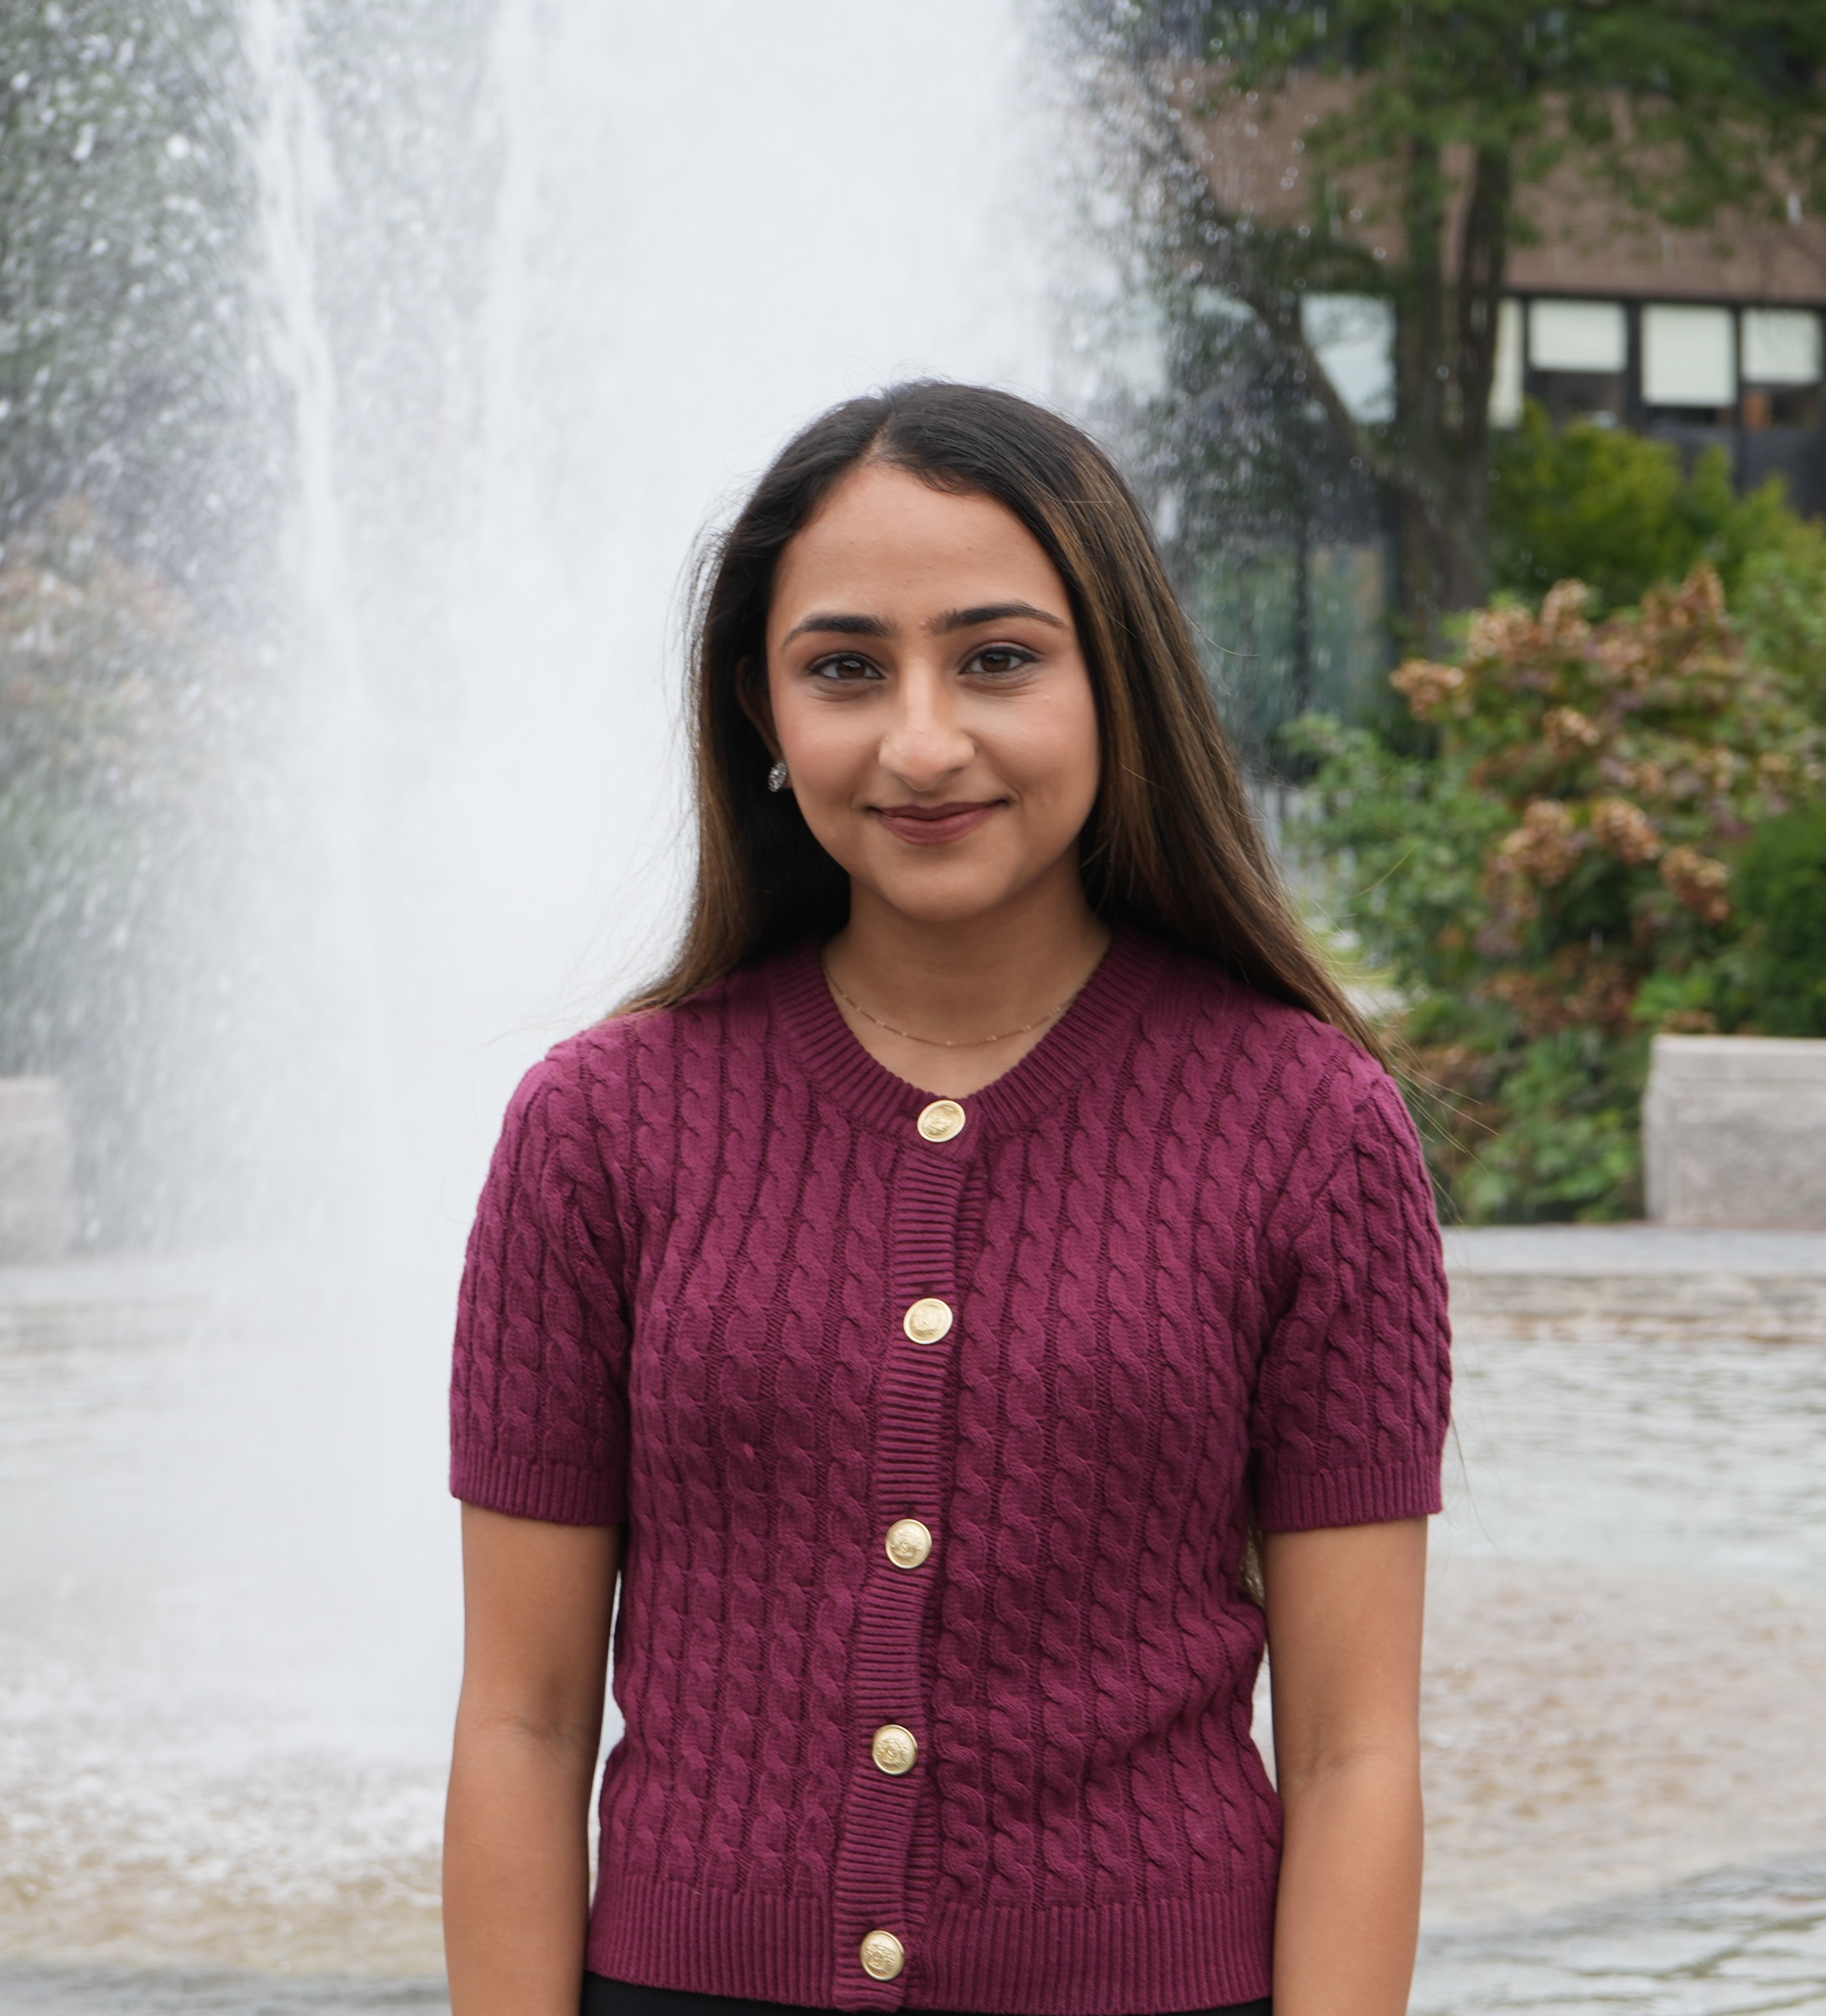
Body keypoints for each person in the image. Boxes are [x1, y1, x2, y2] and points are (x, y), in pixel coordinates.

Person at [442, 382, 1451, 2016]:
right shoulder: (596, 1130)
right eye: (844, 669)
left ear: (1114, 679)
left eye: (996, 658)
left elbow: (1353, 1751)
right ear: (760, 718)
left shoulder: (1311, 1132)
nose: (920, 740)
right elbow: (521, 1720)